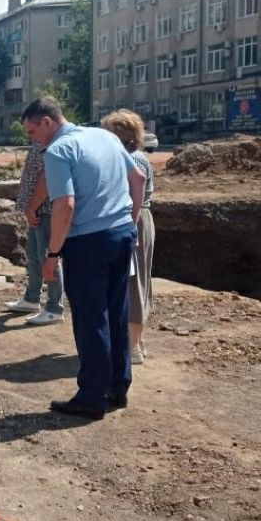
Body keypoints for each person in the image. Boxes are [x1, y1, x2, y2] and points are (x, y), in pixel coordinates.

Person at [21, 97, 146, 420]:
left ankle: (92, 397)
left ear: (48, 122)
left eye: (33, 131)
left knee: (91, 319)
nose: (33, 138)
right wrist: (128, 224)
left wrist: (53, 252)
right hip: (120, 236)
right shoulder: (103, 136)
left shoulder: (59, 151)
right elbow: (138, 180)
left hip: (87, 242)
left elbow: (66, 205)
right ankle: (118, 389)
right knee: (116, 312)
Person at [101, 110, 155, 365]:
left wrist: (129, 229)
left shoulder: (133, 159)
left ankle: (132, 347)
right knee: (134, 281)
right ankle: (135, 341)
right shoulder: (134, 156)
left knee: (134, 283)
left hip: (133, 220)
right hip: (135, 220)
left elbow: (134, 193)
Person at [6, 140, 65, 325]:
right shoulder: (40, 144)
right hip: (36, 209)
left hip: (46, 209)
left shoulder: (53, 146)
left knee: (48, 258)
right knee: (33, 255)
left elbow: (48, 179)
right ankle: (31, 299)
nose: (29, 134)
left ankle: (55, 308)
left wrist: (33, 206)